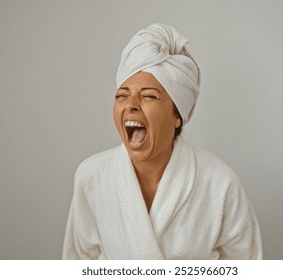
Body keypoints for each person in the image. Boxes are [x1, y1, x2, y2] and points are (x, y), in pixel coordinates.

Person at [62, 23, 262, 259]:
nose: (131, 105)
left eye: (149, 96)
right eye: (121, 95)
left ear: (177, 115)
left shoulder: (220, 183)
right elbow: (78, 262)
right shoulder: (91, 177)